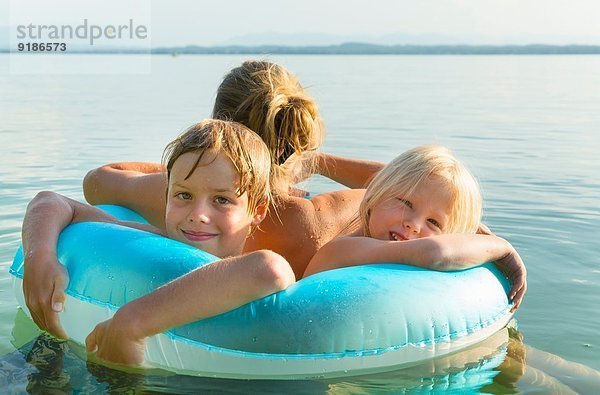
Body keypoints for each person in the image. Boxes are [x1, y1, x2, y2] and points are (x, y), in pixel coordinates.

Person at [22, 120, 296, 363]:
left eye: (222, 200)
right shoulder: (153, 242)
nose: (198, 215)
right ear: (166, 195)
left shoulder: (247, 269)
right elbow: (51, 201)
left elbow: (269, 269)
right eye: (184, 195)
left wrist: (132, 322)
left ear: (258, 211)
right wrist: (41, 257)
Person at [303, 145, 527, 310]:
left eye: (434, 222)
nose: (414, 224)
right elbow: (435, 252)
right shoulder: (341, 251)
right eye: (405, 203)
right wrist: (502, 246)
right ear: (375, 196)